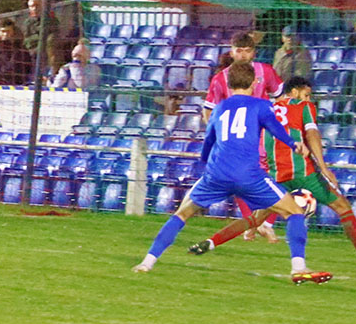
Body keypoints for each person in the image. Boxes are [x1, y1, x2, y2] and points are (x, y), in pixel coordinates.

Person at [132, 62, 330, 285]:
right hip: (249, 175)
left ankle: (147, 263)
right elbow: (276, 128)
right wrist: (294, 144)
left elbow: (208, 142)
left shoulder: (219, 108)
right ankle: (299, 268)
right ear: (254, 82)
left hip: (217, 174)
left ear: (228, 83)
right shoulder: (261, 105)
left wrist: (206, 165)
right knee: (293, 212)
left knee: (182, 214)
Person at [188, 76, 356, 268]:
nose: (308, 99)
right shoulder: (304, 107)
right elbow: (312, 134)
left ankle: (211, 242)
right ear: (294, 92)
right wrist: (324, 168)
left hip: (277, 176)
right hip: (304, 174)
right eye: (306, 94)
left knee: (256, 218)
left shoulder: (265, 108)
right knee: (343, 208)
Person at [204, 31, 284, 242]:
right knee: (240, 178)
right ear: (231, 52)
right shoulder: (220, 79)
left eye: (247, 51)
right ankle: (253, 222)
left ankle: (264, 223)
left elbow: (281, 98)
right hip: (237, 137)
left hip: (264, 135)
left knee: (275, 175)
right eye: (239, 51)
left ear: (253, 52)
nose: (243, 55)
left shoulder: (266, 71)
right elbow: (209, 109)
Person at [22, 0, 60, 68]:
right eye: (32, 6)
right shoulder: (27, 22)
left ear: (43, 6)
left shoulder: (51, 20)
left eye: (37, 5)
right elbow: (26, 41)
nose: (34, 8)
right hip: (32, 53)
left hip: (47, 53)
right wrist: (40, 37)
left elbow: (53, 36)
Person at [0, 19, 33, 85]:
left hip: (16, 84)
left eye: (8, 31)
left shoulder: (20, 50)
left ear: (14, 32)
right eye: (3, 31)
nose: (5, 34)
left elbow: (15, 70)